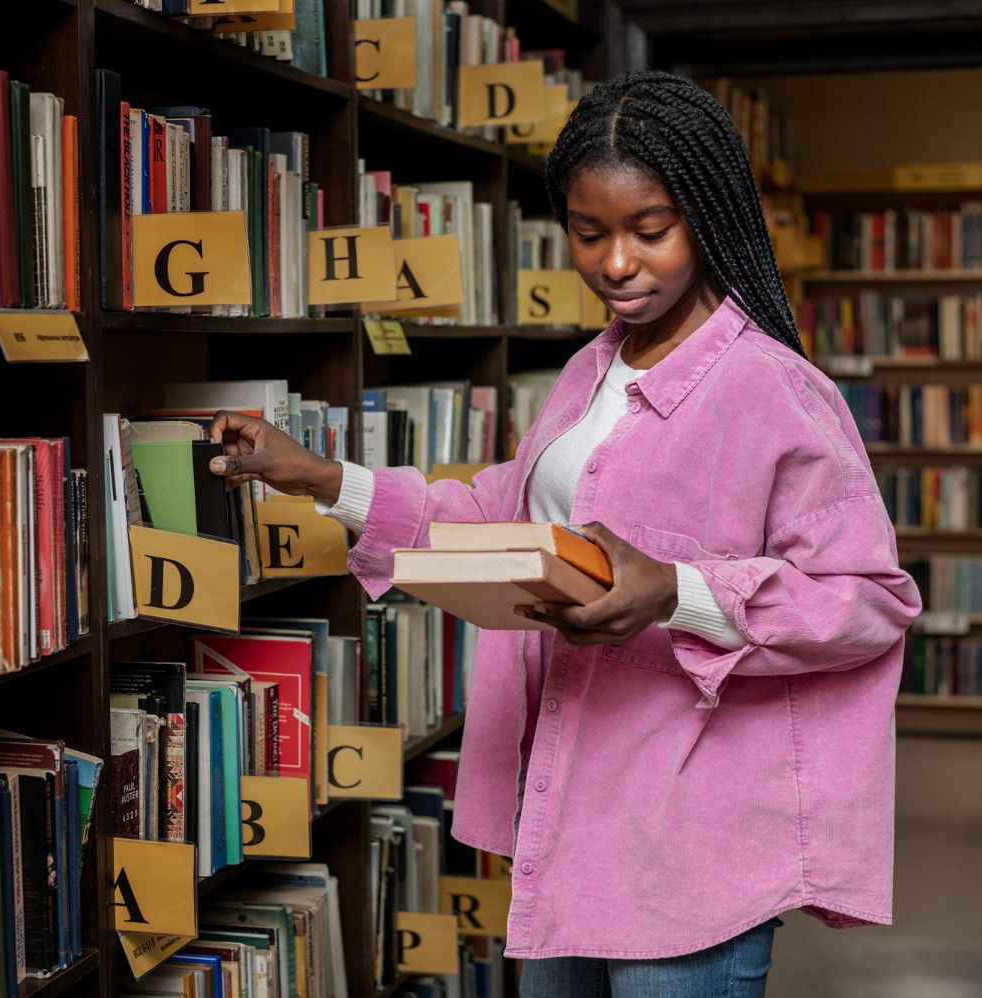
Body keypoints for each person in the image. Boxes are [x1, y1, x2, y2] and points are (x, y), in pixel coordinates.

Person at [208, 71, 922, 998]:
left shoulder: (774, 390)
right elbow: (501, 520)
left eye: (649, 230)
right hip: (567, 818)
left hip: (694, 844)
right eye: (590, 233)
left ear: (707, 217)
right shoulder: (591, 371)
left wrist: (675, 590)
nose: (617, 263)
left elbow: (865, 601)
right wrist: (320, 478)